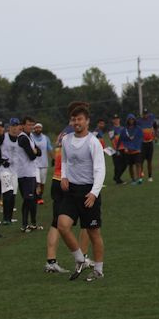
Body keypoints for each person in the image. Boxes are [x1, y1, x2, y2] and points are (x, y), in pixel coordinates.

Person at [56, 102, 106, 283]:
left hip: (88, 192)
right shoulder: (66, 140)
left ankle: (98, 270)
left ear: (87, 121)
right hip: (71, 191)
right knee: (62, 225)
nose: (76, 122)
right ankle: (79, 258)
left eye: (79, 119)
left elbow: (100, 169)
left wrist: (94, 193)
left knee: (93, 233)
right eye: (73, 119)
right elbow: (65, 161)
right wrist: (63, 176)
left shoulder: (93, 142)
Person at [119, 114, 144, 185]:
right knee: (130, 165)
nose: (131, 121)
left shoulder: (138, 129)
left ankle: (139, 179)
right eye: (130, 119)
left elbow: (140, 138)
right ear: (127, 120)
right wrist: (125, 147)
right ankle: (133, 179)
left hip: (136, 150)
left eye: (132, 119)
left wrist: (139, 147)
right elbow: (122, 139)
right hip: (128, 151)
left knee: (138, 164)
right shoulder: (124, 130)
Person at [32, 122, 51, 205]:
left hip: (44, 163)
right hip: (34, 163)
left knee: (42, 182)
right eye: (36, 128)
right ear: (34, 129)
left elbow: (49, 149)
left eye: (39, 128)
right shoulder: (31, 137)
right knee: (37, 182)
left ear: (41, 129)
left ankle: (40, 196)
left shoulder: (45, 138)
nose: (38, 129)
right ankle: (37, 197)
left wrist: (53, 159)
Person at [138, 110, 157, 182]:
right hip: (142, 143)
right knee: (141, 161)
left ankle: (150, 176)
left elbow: (155, 126)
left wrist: (155, 135)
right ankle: (140, 177)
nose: (145, 115)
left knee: (149, 161)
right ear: (142, 114)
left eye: (146, 114)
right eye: (144, 114)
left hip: (150, 143)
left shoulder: (151, 119)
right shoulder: (139, 121)